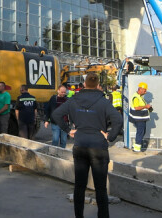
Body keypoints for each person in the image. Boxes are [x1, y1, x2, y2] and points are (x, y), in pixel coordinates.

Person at [53, 73, 122, 218]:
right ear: (98, 86)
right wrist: (110, 136)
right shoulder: (103, 102)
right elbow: (118, 119)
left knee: (79, 186)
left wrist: (68, 130)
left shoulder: (73, 100)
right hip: (98, 147)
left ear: (84, 84)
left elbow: (56, 115)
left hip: (80, 145)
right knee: (101, 189)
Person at [128, 82, 152, 152]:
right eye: (144, 90)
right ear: (140, 89)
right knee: (140, 132)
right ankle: (137, 148)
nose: (145, 91)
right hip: (139, 118)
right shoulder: (136, 97)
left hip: (141, 118)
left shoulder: (139, 96)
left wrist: (147, 107)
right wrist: (145, 106)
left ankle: (136, 145)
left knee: (141, 132)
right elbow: (136, 108)